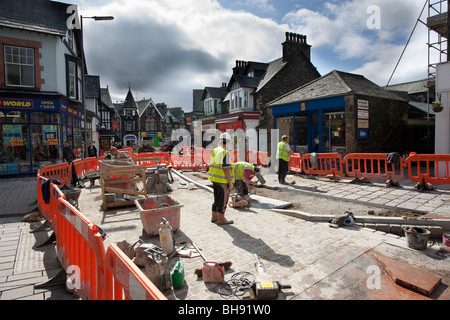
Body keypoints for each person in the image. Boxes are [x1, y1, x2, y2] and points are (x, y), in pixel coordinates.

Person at [208, 132, 234, 225]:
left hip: (214, 179)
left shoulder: (215, 150)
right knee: (223, 201)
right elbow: (226, 168)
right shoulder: (224, 152)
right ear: (228, 142)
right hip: (222, 180)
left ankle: (214, 217)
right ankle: (221, 219)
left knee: (216, 199)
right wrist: (230, 181)